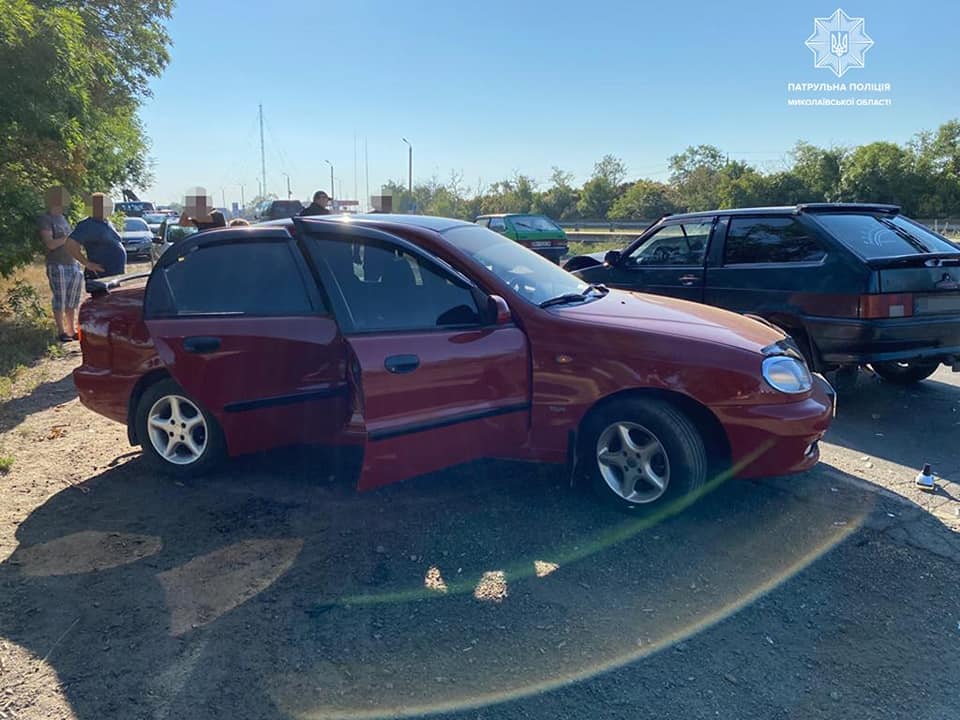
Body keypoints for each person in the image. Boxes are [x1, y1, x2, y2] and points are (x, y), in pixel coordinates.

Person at [39, 186, 83, 342]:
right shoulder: (46, 219)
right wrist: (67, 238)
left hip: (73, 263)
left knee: (72, 300)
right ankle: (61, 332)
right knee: (60, 299)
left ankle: (72, 331)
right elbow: (50, 244)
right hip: (57, 264)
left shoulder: (63, 218)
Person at [66, 193, 126, 279]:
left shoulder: (107, 223)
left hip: (114, 274)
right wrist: (87, 263)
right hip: (101, 275)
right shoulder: (87, 225)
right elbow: (70, 244)